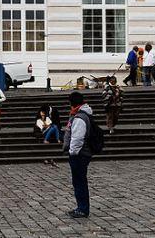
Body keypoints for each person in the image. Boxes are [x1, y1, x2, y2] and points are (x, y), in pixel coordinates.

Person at [63, 91, 95, 219]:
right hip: (82, 153)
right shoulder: (82, 115)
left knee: (79, 181)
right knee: (79, 181)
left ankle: (82, 208)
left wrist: (72, 152)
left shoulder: (79, 118)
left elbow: (77, 138)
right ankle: (81, 207)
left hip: (79, 154)